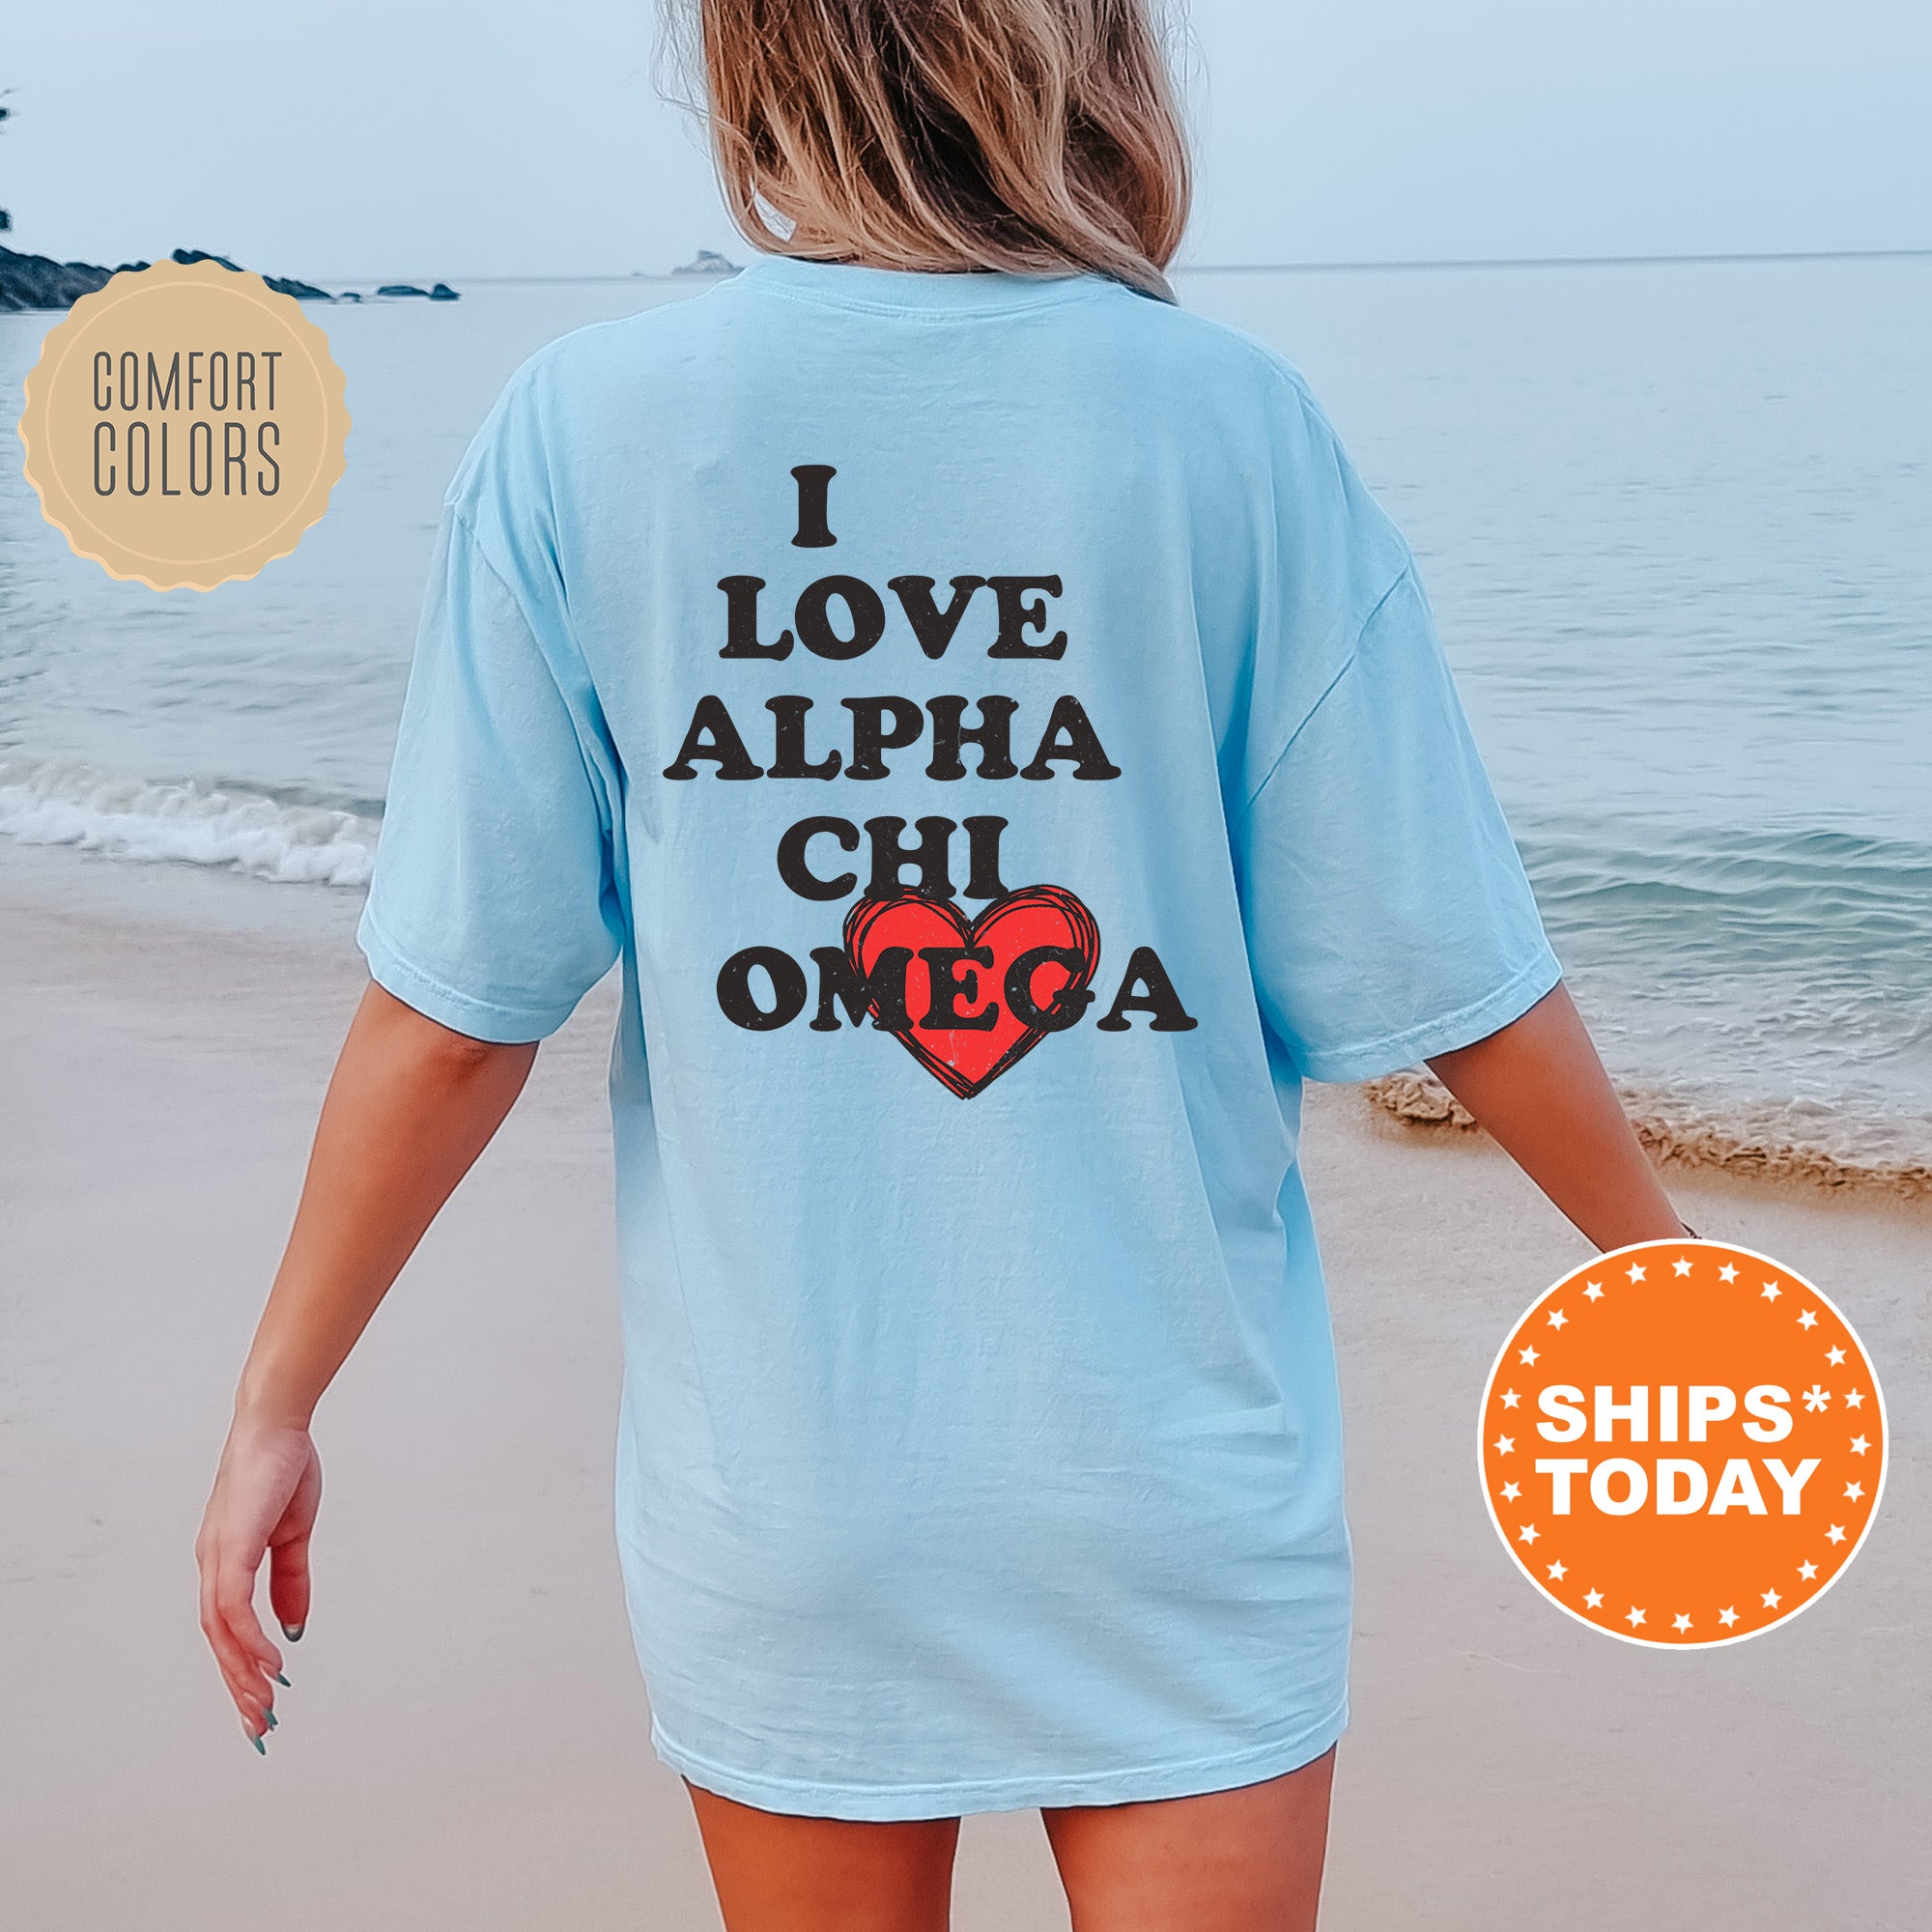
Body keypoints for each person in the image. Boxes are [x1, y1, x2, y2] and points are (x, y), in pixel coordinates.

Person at [195, 3, 1691, 1925]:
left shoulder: (581, 433)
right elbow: (1449, 968)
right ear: (1088, 57)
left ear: (752, 62)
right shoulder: (1231, 424)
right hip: (1168, 1494)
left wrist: (274, 1402)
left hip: (792, 1502)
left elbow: (453, 1014)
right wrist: (1669, 1285)